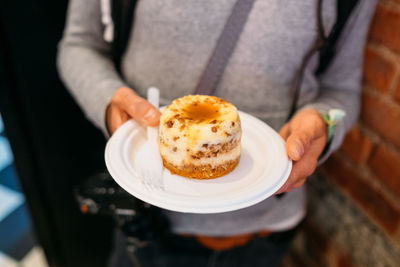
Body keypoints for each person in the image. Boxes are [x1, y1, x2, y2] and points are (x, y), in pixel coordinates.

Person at [57, 0, 377, 266]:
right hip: (144, 223)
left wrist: (322, 123)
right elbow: (78, 45)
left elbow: (340, 89)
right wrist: (107, 98)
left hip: (264, 232)